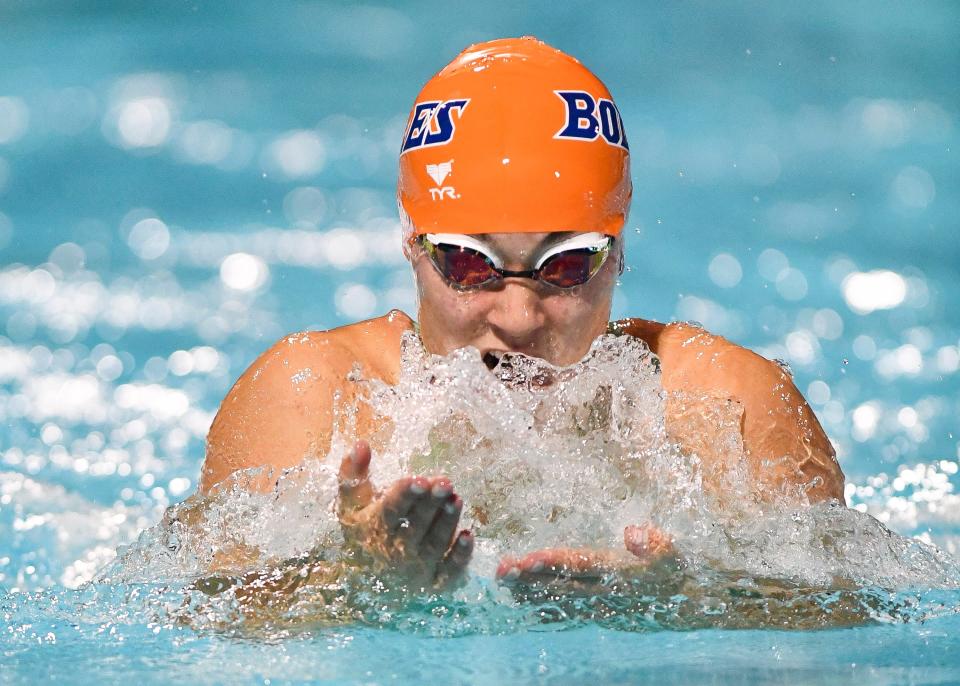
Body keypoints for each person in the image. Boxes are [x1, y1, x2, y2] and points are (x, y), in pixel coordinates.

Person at [197, 36, 845, 594]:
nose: (519, 317)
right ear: (410, 243)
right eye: (470, 264)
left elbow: (844, 624)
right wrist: (359, 582)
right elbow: (211, 628)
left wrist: (687, 602)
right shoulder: (309, 397)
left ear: (617, 252)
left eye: (564, 264)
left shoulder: (728, 409)